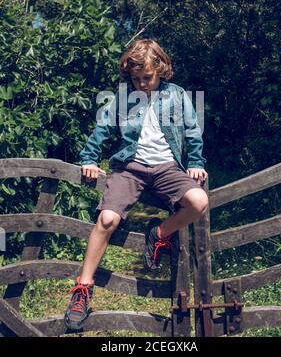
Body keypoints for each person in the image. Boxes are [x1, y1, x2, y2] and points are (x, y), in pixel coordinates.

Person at [64, 39, 208, 330]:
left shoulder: (177, 95)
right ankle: (83, 288)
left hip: (168, 167)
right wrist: (89, 159)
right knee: (106, 218)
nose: (141, 83)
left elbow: (193, 131)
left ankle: (159, 233)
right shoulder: (123, 97)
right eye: (135, 78)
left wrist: (196, 162)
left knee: (199, 202)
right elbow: (103, 128)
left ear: (161, 69)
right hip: (130, 168)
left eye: (147, 77)